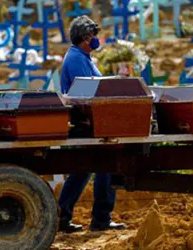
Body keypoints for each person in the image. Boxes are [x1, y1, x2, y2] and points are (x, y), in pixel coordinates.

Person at [58, 16, 127, 233]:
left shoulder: (84, 57)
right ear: (85, 38)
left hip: (92, 121)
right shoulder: (77, 59)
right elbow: (90, 91)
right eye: (93, 35)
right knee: (105, 166)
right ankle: (101, 219)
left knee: (82, 171)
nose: (96, 39)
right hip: (88, 122)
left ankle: (62, 216)